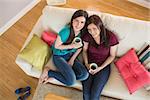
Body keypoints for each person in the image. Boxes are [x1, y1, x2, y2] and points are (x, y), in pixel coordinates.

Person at [39, 9, 89, 86]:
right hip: (59, 56)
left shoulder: (82, 32)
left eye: (82, 22)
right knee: (70, 82)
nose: (78, 25)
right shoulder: (65, 31)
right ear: (72, 20)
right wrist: (72, 46)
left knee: (84, 75)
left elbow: (80, 48)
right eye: (76, 21)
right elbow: (57, 46)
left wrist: (72, 60)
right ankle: (49, 72)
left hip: (70, 55)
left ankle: (61, 76)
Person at [82, 15, 119, 100]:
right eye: (89, 29)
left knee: (94, 95)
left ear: (100, 26)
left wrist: (100, 68)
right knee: (86, 94)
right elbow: (84, 51)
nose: (92, 32)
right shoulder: (88, 36)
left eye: (94, 29)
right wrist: (87, 63)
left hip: (103, 65)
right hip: (89, 63)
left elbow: (112, 56)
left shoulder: (111, 37)